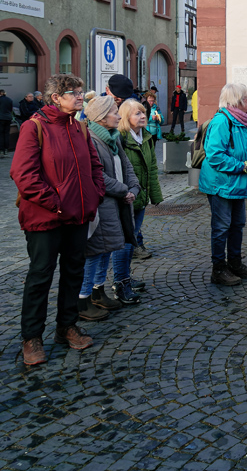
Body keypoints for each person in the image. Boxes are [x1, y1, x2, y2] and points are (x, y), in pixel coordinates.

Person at [11, 74, 104, 366]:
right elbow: (24, 175)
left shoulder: (80, 128)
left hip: (77, 215)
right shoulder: (34, 127)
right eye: (73, 93)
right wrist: (57, 203)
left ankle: (66, 326)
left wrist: (94, 194)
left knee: (74, 271)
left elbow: (94, 166)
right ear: (56, 98)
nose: (80, 97)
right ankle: (32, 337)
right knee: (41, 275)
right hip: (45, 218)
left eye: (80, 92)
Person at [79, 96, 141, 319]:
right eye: (115, 112)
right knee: (94, 252)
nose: (118, 115)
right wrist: (124, 190)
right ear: (102, 118)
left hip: (114, 204)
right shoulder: (91, 140)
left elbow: (126, 166)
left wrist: (133, 187)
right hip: (101, 205)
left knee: (106, 249)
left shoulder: (113, 138)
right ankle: (83, 299)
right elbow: (98, 177)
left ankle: (98, 291)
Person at [199, 83, 247, 286]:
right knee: (221, 227)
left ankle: (234, 263)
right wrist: (243, 166)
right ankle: (218, 268)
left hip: (238, 182)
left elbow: (242, 150)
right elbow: (215, 155)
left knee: (237, 225)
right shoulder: (223, 121)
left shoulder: (242, 121)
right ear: (236, 101)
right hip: (221, 184)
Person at [119, 98, 163, 296]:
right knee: (125, 241)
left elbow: (152, 168)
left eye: (143, 112)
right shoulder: (120, 137)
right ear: (126, 117)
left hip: (141, 197)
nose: (143, 116)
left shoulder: (145, 136)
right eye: (137, 113)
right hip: (126, 198)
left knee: (133, 239)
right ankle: (120, 280)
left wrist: (155, 195)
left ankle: (125, 277)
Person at [0, 88, 13, 156]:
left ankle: (1, 149)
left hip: (1, 118)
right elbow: (11, 109)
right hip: (8, 118)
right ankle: (6, 149)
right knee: (6, 134)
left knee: (1, 134)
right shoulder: (9, 100)